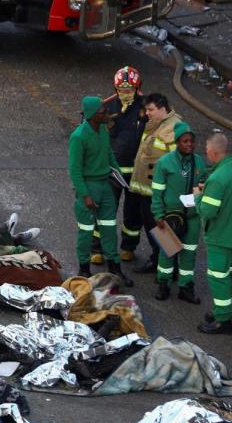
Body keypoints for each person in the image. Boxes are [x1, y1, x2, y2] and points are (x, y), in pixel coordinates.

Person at [69, 95, 134, 286]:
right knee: (86, 231)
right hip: (89, 188)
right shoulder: (78, 137)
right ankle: (84, 270)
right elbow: (75, 169)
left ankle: (115, 269)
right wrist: (85, 195)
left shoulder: (104, 131)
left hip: (106, 187)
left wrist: (119, 176)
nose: (106, 112)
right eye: (102, 111)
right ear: (91, 115)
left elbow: (109, 156)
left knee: (109, 228)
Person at [92, 66, 146, 268]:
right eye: (122, 90)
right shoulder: (106, 108)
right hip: (112, 171)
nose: (125, 94)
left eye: (129, 90)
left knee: (134, 213)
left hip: (137, 172)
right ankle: (97, 249)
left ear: (137, 88)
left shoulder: (146, 108)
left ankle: (128, 248)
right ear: (116, 89)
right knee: (106, 210)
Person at [196, 132, 232, 334]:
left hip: (220, 236)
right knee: (228, 276)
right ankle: (221, 309)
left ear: (212, 151)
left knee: (218, 278)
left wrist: (198, 197)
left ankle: (223, 321)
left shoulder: (217, 179)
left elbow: (208, 211)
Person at [130, 93, 185, 274]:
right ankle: (158, 260)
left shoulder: (173, 128)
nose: (147, 113)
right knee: (153, 229)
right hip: (148, 190)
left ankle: (169, 266)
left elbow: (178, 163)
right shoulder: (156, 124)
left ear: (163, 108)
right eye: (146, 109)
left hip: (160, 193)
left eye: (151, 109)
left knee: (162, 229)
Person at [151, 122, 205, 304]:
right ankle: (163, 284)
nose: (189, 144)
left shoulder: (199, 162)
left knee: (189, 253)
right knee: (167, 252)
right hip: (169, 217)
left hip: (192, 217)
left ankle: (185, 287)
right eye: (185, 141)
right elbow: (157, 192)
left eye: (192, 141)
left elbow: (204, 184)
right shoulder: (164, 163)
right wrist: (158, 215)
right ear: (177, 143)